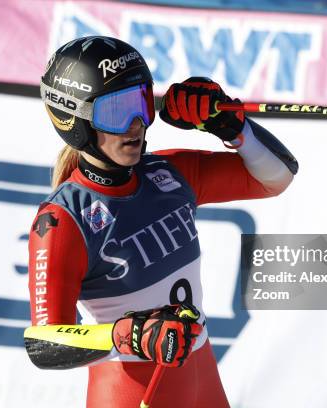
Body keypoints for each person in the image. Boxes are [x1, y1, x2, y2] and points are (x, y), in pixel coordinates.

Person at [24, 35, 298, 407]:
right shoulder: (63, 220)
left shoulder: (169, 173)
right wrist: (126, 336)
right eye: (117, 110)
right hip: (131, 392)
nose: (136, 124)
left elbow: (277, 177)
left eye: (141, 102)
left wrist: (232, 128)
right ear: (75, 119)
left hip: (202, 383)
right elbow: (44, 342)